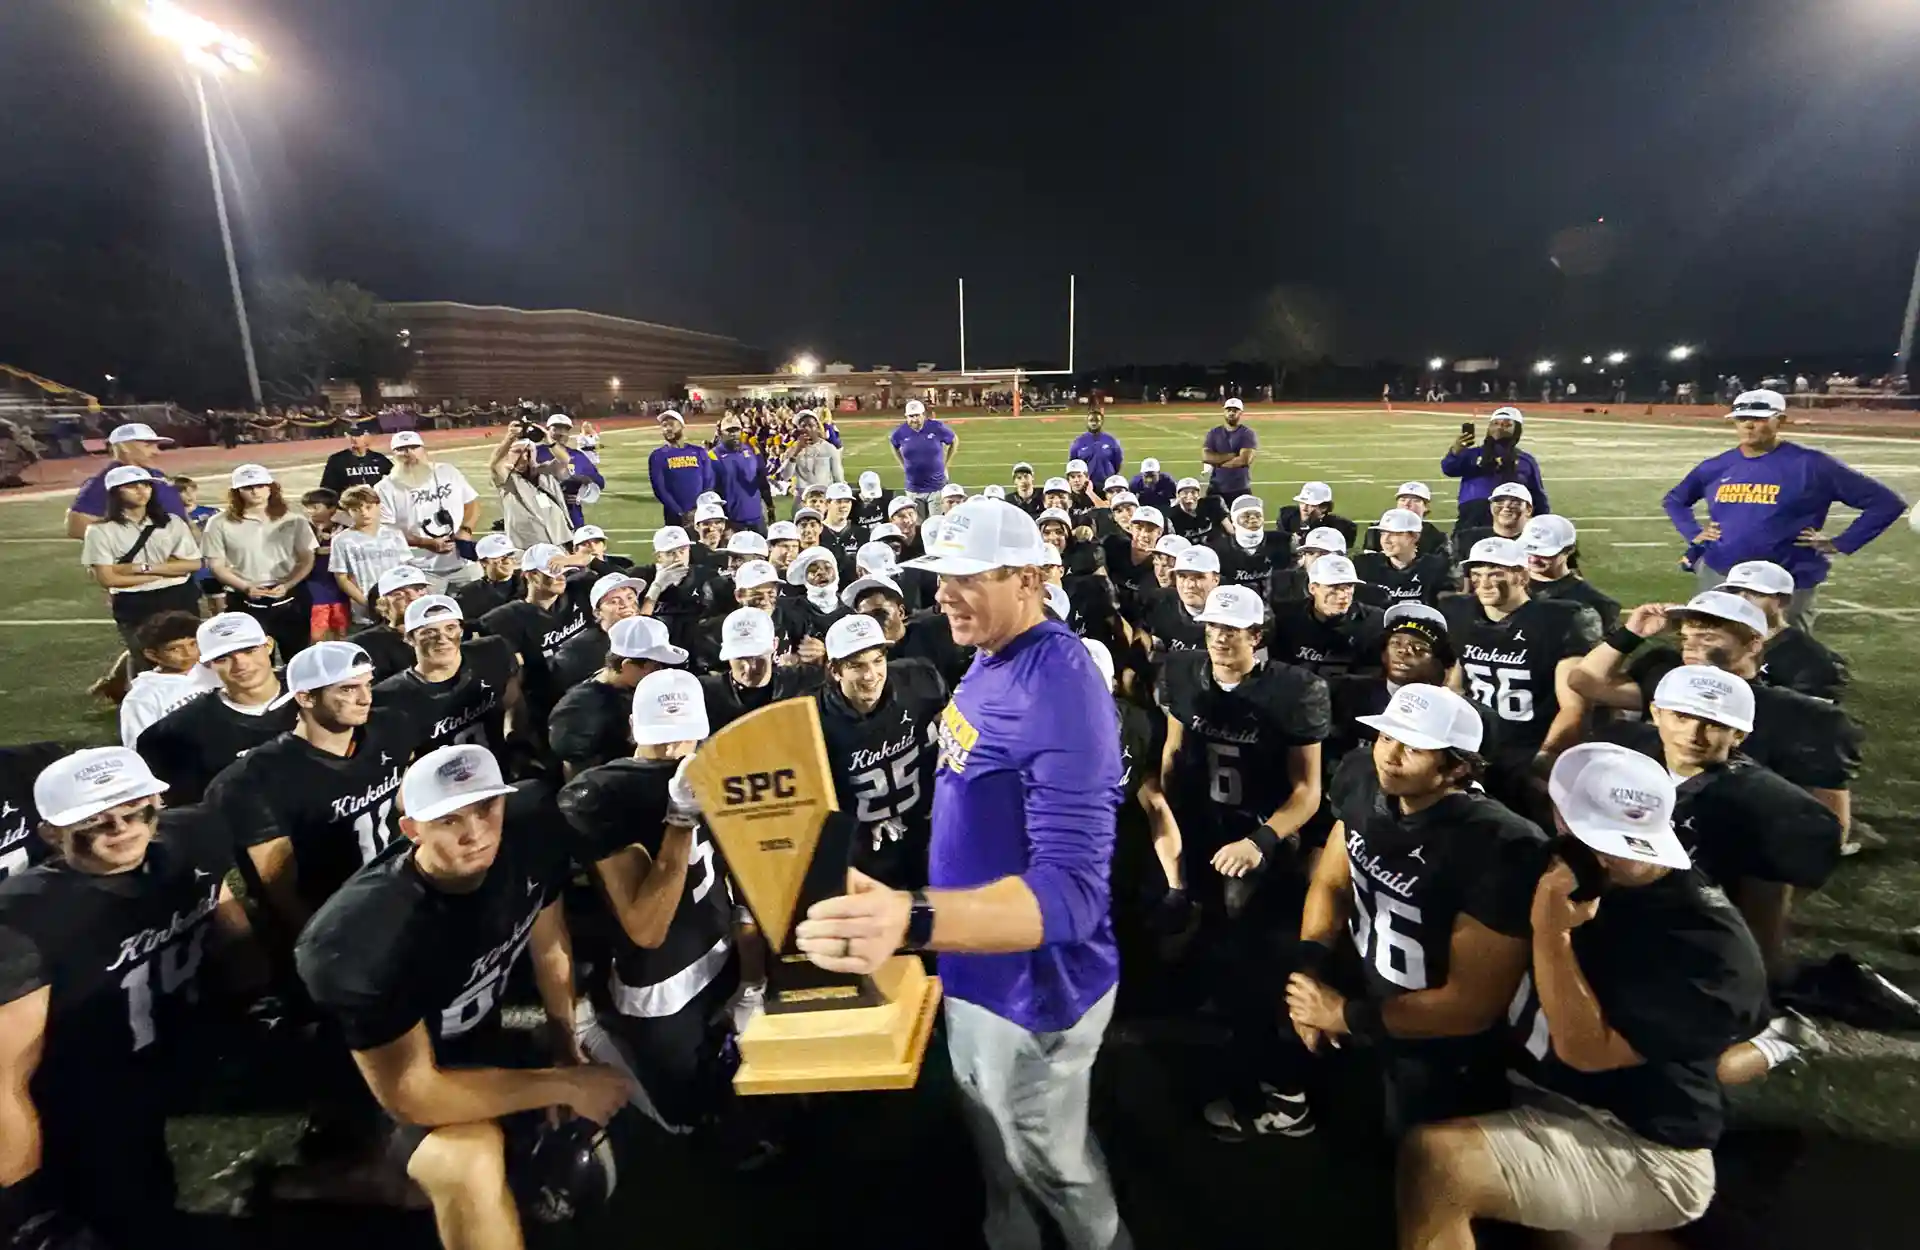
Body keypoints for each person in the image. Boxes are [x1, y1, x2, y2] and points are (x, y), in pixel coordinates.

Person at [794, 499, 1131, 1250]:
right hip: (979, 964)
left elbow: (1074, 896)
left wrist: (912, 919)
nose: (941, 592)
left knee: (1053, 1160)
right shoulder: (994, 653)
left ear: (1030, 578)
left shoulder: (1060, 686)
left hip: (1036, 984)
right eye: (938, 574)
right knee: (995, 1140)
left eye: (965, 576)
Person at [1396, 744, 1768, 1250]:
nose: (1615, 855)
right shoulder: (1561, 861)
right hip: (1553, 1097)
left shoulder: (1713, 949)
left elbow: (1585, 1050)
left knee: (1438, 1164)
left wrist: (1552, 931)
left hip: (1643, 1145)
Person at [295, 745, 631, 1250]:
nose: (475, 832)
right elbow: (414, 1094)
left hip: (474, 1044)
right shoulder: (358, 936)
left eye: (484, 808)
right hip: (382, 1081)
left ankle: (337, 1181)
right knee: (471, 1159)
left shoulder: (529, 828)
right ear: (412, 831)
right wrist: (565, 1084)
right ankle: (328, 1176)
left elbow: (548, 936)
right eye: (449, 819)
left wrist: (565, 1043)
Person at [0, 747, 245, 1248]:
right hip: (93, 1091)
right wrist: (22, 1205)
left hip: (191, 1038)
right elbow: (6, 1078)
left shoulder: (194, 836)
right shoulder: (26, 919)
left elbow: (224, 911)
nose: (121, 828)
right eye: (94, 820)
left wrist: (258, 994)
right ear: (50, 833)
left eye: (135, 810)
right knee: (137, 1219)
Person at [1290, 684, 1548, 1135]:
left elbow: (1472, 1004)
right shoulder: (1362, 778)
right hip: (1364, 993)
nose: (1391, 755)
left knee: (1419, 1154)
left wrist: (1343, 1014)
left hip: (1439, 1043)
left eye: (1414, 747)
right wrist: (1311, 971)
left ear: (1458, 767)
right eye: (1388, 738)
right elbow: (1332, 881)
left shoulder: (1499, 845)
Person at [1155, 583, 1329, 1141]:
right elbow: (1174, 754)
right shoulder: (1184, 676)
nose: (1220, 638)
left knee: (1260, 967)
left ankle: (1286, 1092)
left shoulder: (1295, 690)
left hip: (1263, 841)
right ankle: (1239, 1047)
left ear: (1258, 635)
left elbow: (1308, 792)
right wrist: (1162, 808)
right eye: (1213, 627)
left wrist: (1261, 841)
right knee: (1220, 954)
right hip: (1207, 832)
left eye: (1233, 630)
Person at [560, 672, 740, 1135]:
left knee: (732, 1078)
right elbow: (647, 928)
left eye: (682, 736)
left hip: (718, 944)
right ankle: (595, 1031)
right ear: (633, 730)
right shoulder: (602, 794)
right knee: (684, 1120)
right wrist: (679, 821)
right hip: (660, 980)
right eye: (662, 738)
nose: (672, 749)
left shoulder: (720, 768)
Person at [1567, 591, 1862, 851]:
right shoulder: (1669, 680)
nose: (1690, 646)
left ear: (1754, 643)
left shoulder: (1804, 717)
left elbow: (1826, 831)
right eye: (1686, 637)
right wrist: (1630, 634)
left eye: (1708, 637)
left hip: (1732, 845)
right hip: (1645, 825)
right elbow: (1585, 681)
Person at [205, 641, 428, 947]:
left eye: (367, 685)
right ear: (305, 697)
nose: (365, 698)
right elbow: (280, 885)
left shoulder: (390, 726)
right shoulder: (254, 779)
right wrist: (319, 943)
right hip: (331, 915)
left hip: (399, 888)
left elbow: (403, 797)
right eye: (347, 689)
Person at [1644, 665, 1841, 981]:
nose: (1693, 735)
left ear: (1739, 734)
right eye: (1681, 717)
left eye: (1713, 724)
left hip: (1701, 941)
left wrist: (1752, 976)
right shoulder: (1626, 755)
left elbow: (1768, 904)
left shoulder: (1768, 805)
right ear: (1656, 714)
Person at [1661, 387, 1905, 631]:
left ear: (1781, 420)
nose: (1749, 425)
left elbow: (1885, 503)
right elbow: (1675, 500)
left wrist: (1841, 542)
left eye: (1759, 419)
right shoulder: (1715, 466)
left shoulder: (1813, 464)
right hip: (1723, 572)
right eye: (1742, 419)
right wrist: (1694, 534)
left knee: (1787, 650)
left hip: (1789, 578)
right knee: (1717, 643)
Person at [1442, 538, 1602, 815]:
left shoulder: (1559, 620)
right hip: (1476, 746)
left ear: (1522, 575)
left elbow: (1574, 707)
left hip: (1528, 746)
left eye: (1495, 574)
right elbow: (1455, 686)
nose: (1485, 583)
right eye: (1478, 574)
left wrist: (1545, 756)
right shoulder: (1462, 615)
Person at [816, 614, 948, 890]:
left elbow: (950, 731)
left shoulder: (919, 681)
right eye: (857, 665)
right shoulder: (811, 717)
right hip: (859, 846)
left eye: (877, 660)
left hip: (924, 827)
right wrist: (858, 831)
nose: (870, 675)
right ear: (835, 670)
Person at [134, 613, 296, 804]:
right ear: (206, 662)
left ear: (268, 645)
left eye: (249, 650)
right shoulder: (181, 729)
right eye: (224, 658)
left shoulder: (316, 693)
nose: (241, 664)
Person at [81, 465, 204, 672]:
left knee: (192, 658)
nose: (141, 490)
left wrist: (139, 568)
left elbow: (193, 564)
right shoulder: (99, 531)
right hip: (135, 603)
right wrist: (167, 570)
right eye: (131, 486)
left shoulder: (172, 522)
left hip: (179, 596)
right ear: (115, 492)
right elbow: (108, 579)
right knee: (146, 660)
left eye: (146, 485)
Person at [374, 595, 521, 759]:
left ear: (461, 630)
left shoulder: (491, 652)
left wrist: (512, 731)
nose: (442, 639)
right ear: (409, 638)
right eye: (429, 632)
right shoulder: (390, 697)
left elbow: (513, 697)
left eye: (450, 628)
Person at [201, 464, 318, 663]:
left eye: (260, 485)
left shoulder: (294, 520)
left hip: (291, 596)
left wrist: (288, 584)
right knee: (256, 659)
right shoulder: (218, 523)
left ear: (271, 487)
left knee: (299, 656)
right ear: (236, 492)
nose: (255, 491)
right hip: (244, 598)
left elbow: (307, 558)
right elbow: (216, 564)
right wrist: (246, 587)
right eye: (248, 487)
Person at [548, 615, 688, 778]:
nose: (660, 672)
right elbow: (579, 778)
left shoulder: (634, 685)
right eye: (654, 666)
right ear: (626, 665)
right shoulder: (579, 711)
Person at [478, 544, 594, 728]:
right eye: (554, 571)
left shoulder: (577, 592)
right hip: (549, 708)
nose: (561, 576)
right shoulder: (507, 618)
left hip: (592, 693)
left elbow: (607, 569)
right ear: (531, 575)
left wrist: (573, 559)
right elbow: (510, 679)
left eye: (564, 570)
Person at [1715, 560, 1848, 701]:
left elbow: (1811, 713)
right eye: (1734, 591)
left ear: (1783, 600)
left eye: (1756, 593)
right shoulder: (1712, 638)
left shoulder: (1808, 656)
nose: (1741, 599)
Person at [376, 430, 481, 591]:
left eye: (414, 447)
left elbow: (471, 503)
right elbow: (387, 530)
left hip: (464, 563)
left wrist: (465, 530)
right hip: (420, 570)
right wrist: (425, 543)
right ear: (393, 455)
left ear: (424, 450)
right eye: (401, 449)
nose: (409, 453)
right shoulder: (385, 488)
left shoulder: (447, 472)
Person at [698, 606, 824, 731]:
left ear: (774, 644)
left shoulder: (804, 685)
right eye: (739, 658)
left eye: (756, 657)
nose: (748, 667)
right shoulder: (704, 694)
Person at [64, 422, 186, 541]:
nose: (157, 452)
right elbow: (76, 526)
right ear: (124, 447)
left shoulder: (156, 474)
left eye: (157, 445)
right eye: (148, 445)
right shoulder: (106, 481)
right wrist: (139, 545)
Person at [1267, 554, 1384, 678]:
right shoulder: (1287, 619)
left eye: (1348, 586)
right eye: (1334, 587)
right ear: (1312, 588)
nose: (1342, 595)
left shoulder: (1374, 622)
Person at [117, 610, 219, 748]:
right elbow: (138, 746)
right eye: (175, 649)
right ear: (153, 655)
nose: (188, 653)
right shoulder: (142, 697)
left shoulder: (215, 670)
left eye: (193, 644)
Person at [1440, 406, 1550, 531]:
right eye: (1495, 423)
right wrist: (1455, 451)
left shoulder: (1525, 460)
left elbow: (1538, 496)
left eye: (1506, 425)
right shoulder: (1473, 454)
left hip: (1510, 520)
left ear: (1516, 430)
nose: (1499, 427)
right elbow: (1449, 469)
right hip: (1473, 520)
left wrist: (1543, 523)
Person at [329, 484, 416, 624]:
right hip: (366, 611)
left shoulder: (393, 534)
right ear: (348, 512)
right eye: (355, 509)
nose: (363, 513)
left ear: (378, 506)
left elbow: (407, 568)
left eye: (368, 507)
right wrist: (368, 604)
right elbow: (342, 578)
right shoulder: (342, 540)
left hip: (398, 605)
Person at [1521, 514, 1620, 632]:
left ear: (1569, 549)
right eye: (1529, 550)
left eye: (1544, 554)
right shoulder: (1502, 586)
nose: (1533, 560)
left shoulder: (1597, 603)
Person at [490, 428, 574, 552]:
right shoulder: (508, 478)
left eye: (529, 452)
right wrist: (509, 438)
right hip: (528, 545)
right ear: (508, 454)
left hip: (560, 540)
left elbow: (565, 461)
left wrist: (549, 440)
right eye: (517, 452)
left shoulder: (546, 471)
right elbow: (494, 465)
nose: (524, 457)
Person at [1355, 508, 1450, 607]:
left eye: (1394, 533)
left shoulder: (1435, 567)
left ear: (1414, 537)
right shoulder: (1364, 565)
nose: (1386, 540)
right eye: (1383, 533)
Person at [537, 414, 606, 530]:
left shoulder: (578, 456)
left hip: (571, 518)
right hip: (540, 518)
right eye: (556, 428)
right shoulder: (534, 452)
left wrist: (583, 495)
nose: (561, 433)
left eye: (565, 429)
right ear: (547, 430)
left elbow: (599, 482)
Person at [889, 399, 958, 516]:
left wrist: (946, 465)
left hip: (936, 487)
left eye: (917, 415)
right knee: (917, 525)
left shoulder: (936, 427)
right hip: (913, 488)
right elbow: (893, 445)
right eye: (911, 416)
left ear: (923, 415)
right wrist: (902, 464)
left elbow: (954, 440)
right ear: (906, 417)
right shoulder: (900, 432)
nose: (914, 419)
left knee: (936, 522)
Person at [302, 488, 352, 643]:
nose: (310, 511)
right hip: (314, 587)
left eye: (315, 507)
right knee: (317, 632)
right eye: (308, 507)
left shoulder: (344, 530)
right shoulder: (304, 529)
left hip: (338, 587)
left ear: (332, 509)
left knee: (341, 629)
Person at [648, 410, 714, 528]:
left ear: (682, 426)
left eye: (671, 424)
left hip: (700, 514)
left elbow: (708, 482)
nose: (667, 428)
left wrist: (698, 509)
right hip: (674, 516)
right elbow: (660, 489)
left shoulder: (699, 452)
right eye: (664, 425)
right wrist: (680, 513)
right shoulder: (657, 456)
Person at [710, 414, 770, 533]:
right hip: (731, 520)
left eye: (736, 430)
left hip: (756, 517)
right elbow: (712, 490)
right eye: (729, 431)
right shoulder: (713, 456)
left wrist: (770, 505)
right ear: (721, 433)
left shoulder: (753, 450)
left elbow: (762, 480)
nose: (733, 434)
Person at [454, 533, 523, 620]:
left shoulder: (530, 585)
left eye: (510, 555)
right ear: (483, 562)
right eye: (499, 557)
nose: (507, 561)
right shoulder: (469, 594)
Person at [318, 420, 394, 497]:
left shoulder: (379, 459)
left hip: (374, 505)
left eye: (358, 435)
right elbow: (327, 488)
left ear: (367, 435)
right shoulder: (337, 460)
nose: (354, 438)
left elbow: (395, 479)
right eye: (351, 434)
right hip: (349, 505)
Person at [1202, 398, 1258, 502]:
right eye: (1229, 410)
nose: (1231, 413)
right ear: (1224, 411)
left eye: (1235, 410)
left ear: (1241, 413)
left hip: (1239, 487)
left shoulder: (1247, 433)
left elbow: (1244, 460)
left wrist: (1217, 462)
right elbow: (1206, 457)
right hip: (1216, 487)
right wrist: (1232, 456)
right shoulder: (1214, 432)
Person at [1278, 481, 1357, 551]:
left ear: (1324, 507)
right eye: (1302, 502)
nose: (1304, 508)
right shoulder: (1287, 518)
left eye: (1311, 505)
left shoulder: (1340, 527)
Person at [785, 410, 846, 497]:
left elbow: (838, 477)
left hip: (824, 498)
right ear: (799, 429)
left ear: (817, 426)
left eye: (810, 425)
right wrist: (796, 452)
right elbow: (786, 476)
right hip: (803, 500)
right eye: (803, 426)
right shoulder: (793, 449)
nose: (807, 428)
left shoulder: (829, 448)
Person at [1069, 409, 1124, 485]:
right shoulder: (1079, 441)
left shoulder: (1111, 440)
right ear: (1087, 422)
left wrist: (1111, 474)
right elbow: (1073, 463)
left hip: (1107, 483)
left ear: (1102, 422)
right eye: (1091, 420)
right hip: (1086, 484)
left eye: (1097, 420)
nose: (1094, 423)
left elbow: (1117, 461)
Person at [1165, 475, 1226, 543]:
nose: (1189, 496)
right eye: (1185, 493)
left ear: (1199, 495)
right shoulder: (1171, 516)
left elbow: (1230, 530)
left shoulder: (1212, 505)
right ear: (1178, 496)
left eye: (1193, 492)